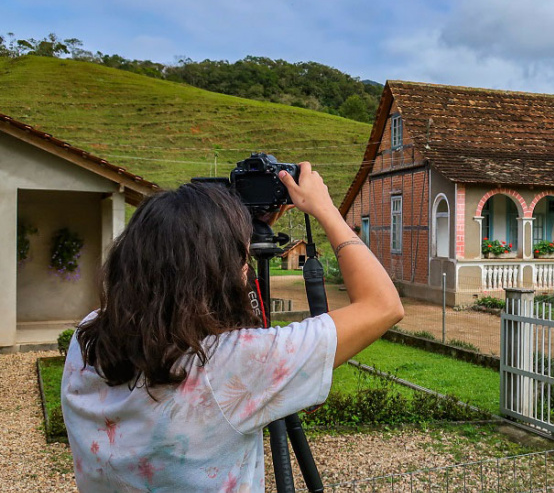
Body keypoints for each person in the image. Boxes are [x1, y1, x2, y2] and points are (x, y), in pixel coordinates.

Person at [61, 162, 404, 492]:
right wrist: (325, 210)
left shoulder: (88, 338)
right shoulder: (234, 365)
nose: (246, 267)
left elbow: (183, 301)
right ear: (220, 274)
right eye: (241, 258)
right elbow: (383, 305)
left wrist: (229, 226)